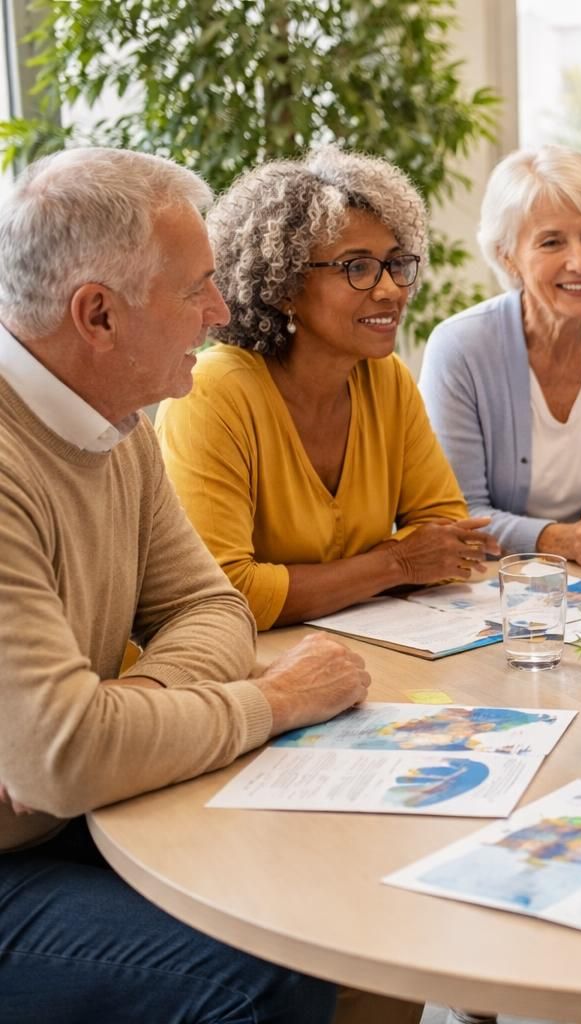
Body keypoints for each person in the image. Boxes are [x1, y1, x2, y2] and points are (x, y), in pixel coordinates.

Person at [0, 147, 374, 1022]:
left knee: (318, 884)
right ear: (97, 314)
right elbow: (63, 757)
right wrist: (276, 703)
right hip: (16, 858)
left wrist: (114, 712)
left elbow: (209, 604)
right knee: (267, 970)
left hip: (59, 816)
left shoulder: (115, 416)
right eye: (195, 288)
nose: (222, 311)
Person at [157, 148, 498, 630]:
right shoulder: (214, 392)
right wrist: (394, 564)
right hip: (256, 671)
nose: (391, 290)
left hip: (376, 650)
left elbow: (449, 540)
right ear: (283, 286)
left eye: (396, 263)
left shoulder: (386, 377)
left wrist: (319, 584)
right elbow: (226, 593)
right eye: (356, 267)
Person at [419, 145, 581, 567]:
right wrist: (559, 539)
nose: (580, 261)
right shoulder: (460, 347)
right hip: (484, 582)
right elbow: (456, 511)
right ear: (508, 256)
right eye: (551, 242)